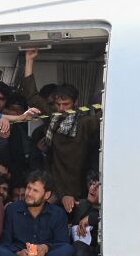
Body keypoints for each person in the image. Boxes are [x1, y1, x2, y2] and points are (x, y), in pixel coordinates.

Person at [21, 49, 101, 215]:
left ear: (76, 103)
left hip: (79, 192)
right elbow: (32, 95)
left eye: (66, 104)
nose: (61, 109)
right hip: (54, 190)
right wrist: (29, 60)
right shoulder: (52, 119)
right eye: (57, 104)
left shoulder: (85, 123)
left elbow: (104, 120)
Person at [0, 170, 74, 256]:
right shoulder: (12, 210)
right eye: (28, 188)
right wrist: (19, 254)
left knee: (69, 249)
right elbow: (5, 243)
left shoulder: (58, 213)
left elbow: (63, 244)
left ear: (47, 195)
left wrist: (45, 248)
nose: (29, 194)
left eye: (35, 191)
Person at [69, 171, 102, 256]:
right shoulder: (81, 206)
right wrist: (64, 198)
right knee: (75, 245)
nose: (93, 188)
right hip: (75, 255)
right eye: (93, 184)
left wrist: (93, 218)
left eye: (99, 186)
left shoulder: (108, 211)